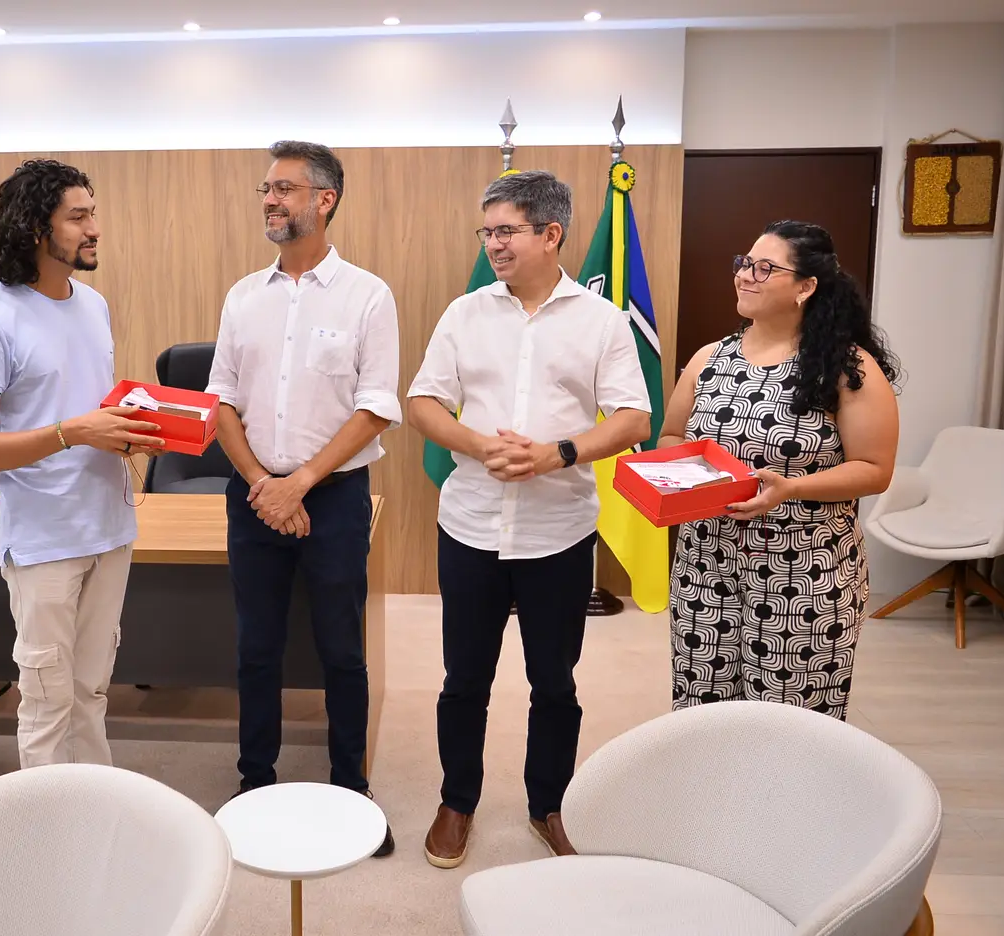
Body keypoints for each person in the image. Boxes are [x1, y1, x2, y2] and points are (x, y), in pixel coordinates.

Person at [407, 170, 653, 868]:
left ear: (551, 234)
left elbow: (634, 417)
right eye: (486, 231)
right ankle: (457, 801)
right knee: (464, 680)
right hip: (471, 527)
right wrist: (476, 443)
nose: (493, 244)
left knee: (554, 683)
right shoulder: (464, 314)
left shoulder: (601, 320)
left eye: (506, 230)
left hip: (559, 534)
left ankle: (550, 804)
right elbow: (422, 402)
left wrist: (558, 453)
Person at [206, 141, 400, 855]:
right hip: (254, 495)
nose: (269, 199)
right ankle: (254, 781)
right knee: (255, 647)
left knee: (341, 649)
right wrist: (265, 484)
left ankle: (352, 789)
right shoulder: (243, 296)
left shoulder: (367, 295)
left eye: (284, 188)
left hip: (335, 498)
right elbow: (220, 401)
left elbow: (376, 408)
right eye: (266, 188)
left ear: (325, 199)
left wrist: (301, 483)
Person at [0, 159, 166, 769]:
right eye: (77, 217)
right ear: (34, 228)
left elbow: (87, 413)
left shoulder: (93, 305)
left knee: (91, 693)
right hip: (44, 539)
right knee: (47, 703)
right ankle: (43, 825)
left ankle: (90, 812)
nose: (94, 228)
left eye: (92, 213)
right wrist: (74, 433)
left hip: (110, 527)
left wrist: (126, 433)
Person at [659, 220, 900, 722]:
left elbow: (874, 470)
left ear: (805, 287)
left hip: (803, 575)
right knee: (703, 714)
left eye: (765, 268)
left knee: (787, 725)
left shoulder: (848, 368)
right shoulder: (709, 359)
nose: (745, 275)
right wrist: (686, 479)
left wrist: (789, 487)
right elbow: (671, 437)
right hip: (705, 566)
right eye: (745, 263)